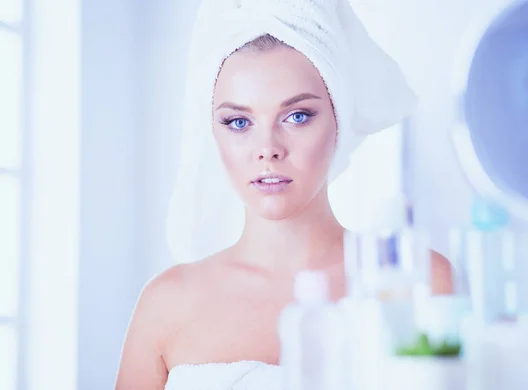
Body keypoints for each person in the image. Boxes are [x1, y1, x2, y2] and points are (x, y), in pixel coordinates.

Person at [115, 1, 453, 389]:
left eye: (296, 116)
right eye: (238, 122)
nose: (268, 148)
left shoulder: (417, 281)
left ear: (338, 118)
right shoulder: (168, 303)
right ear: (212, 132)